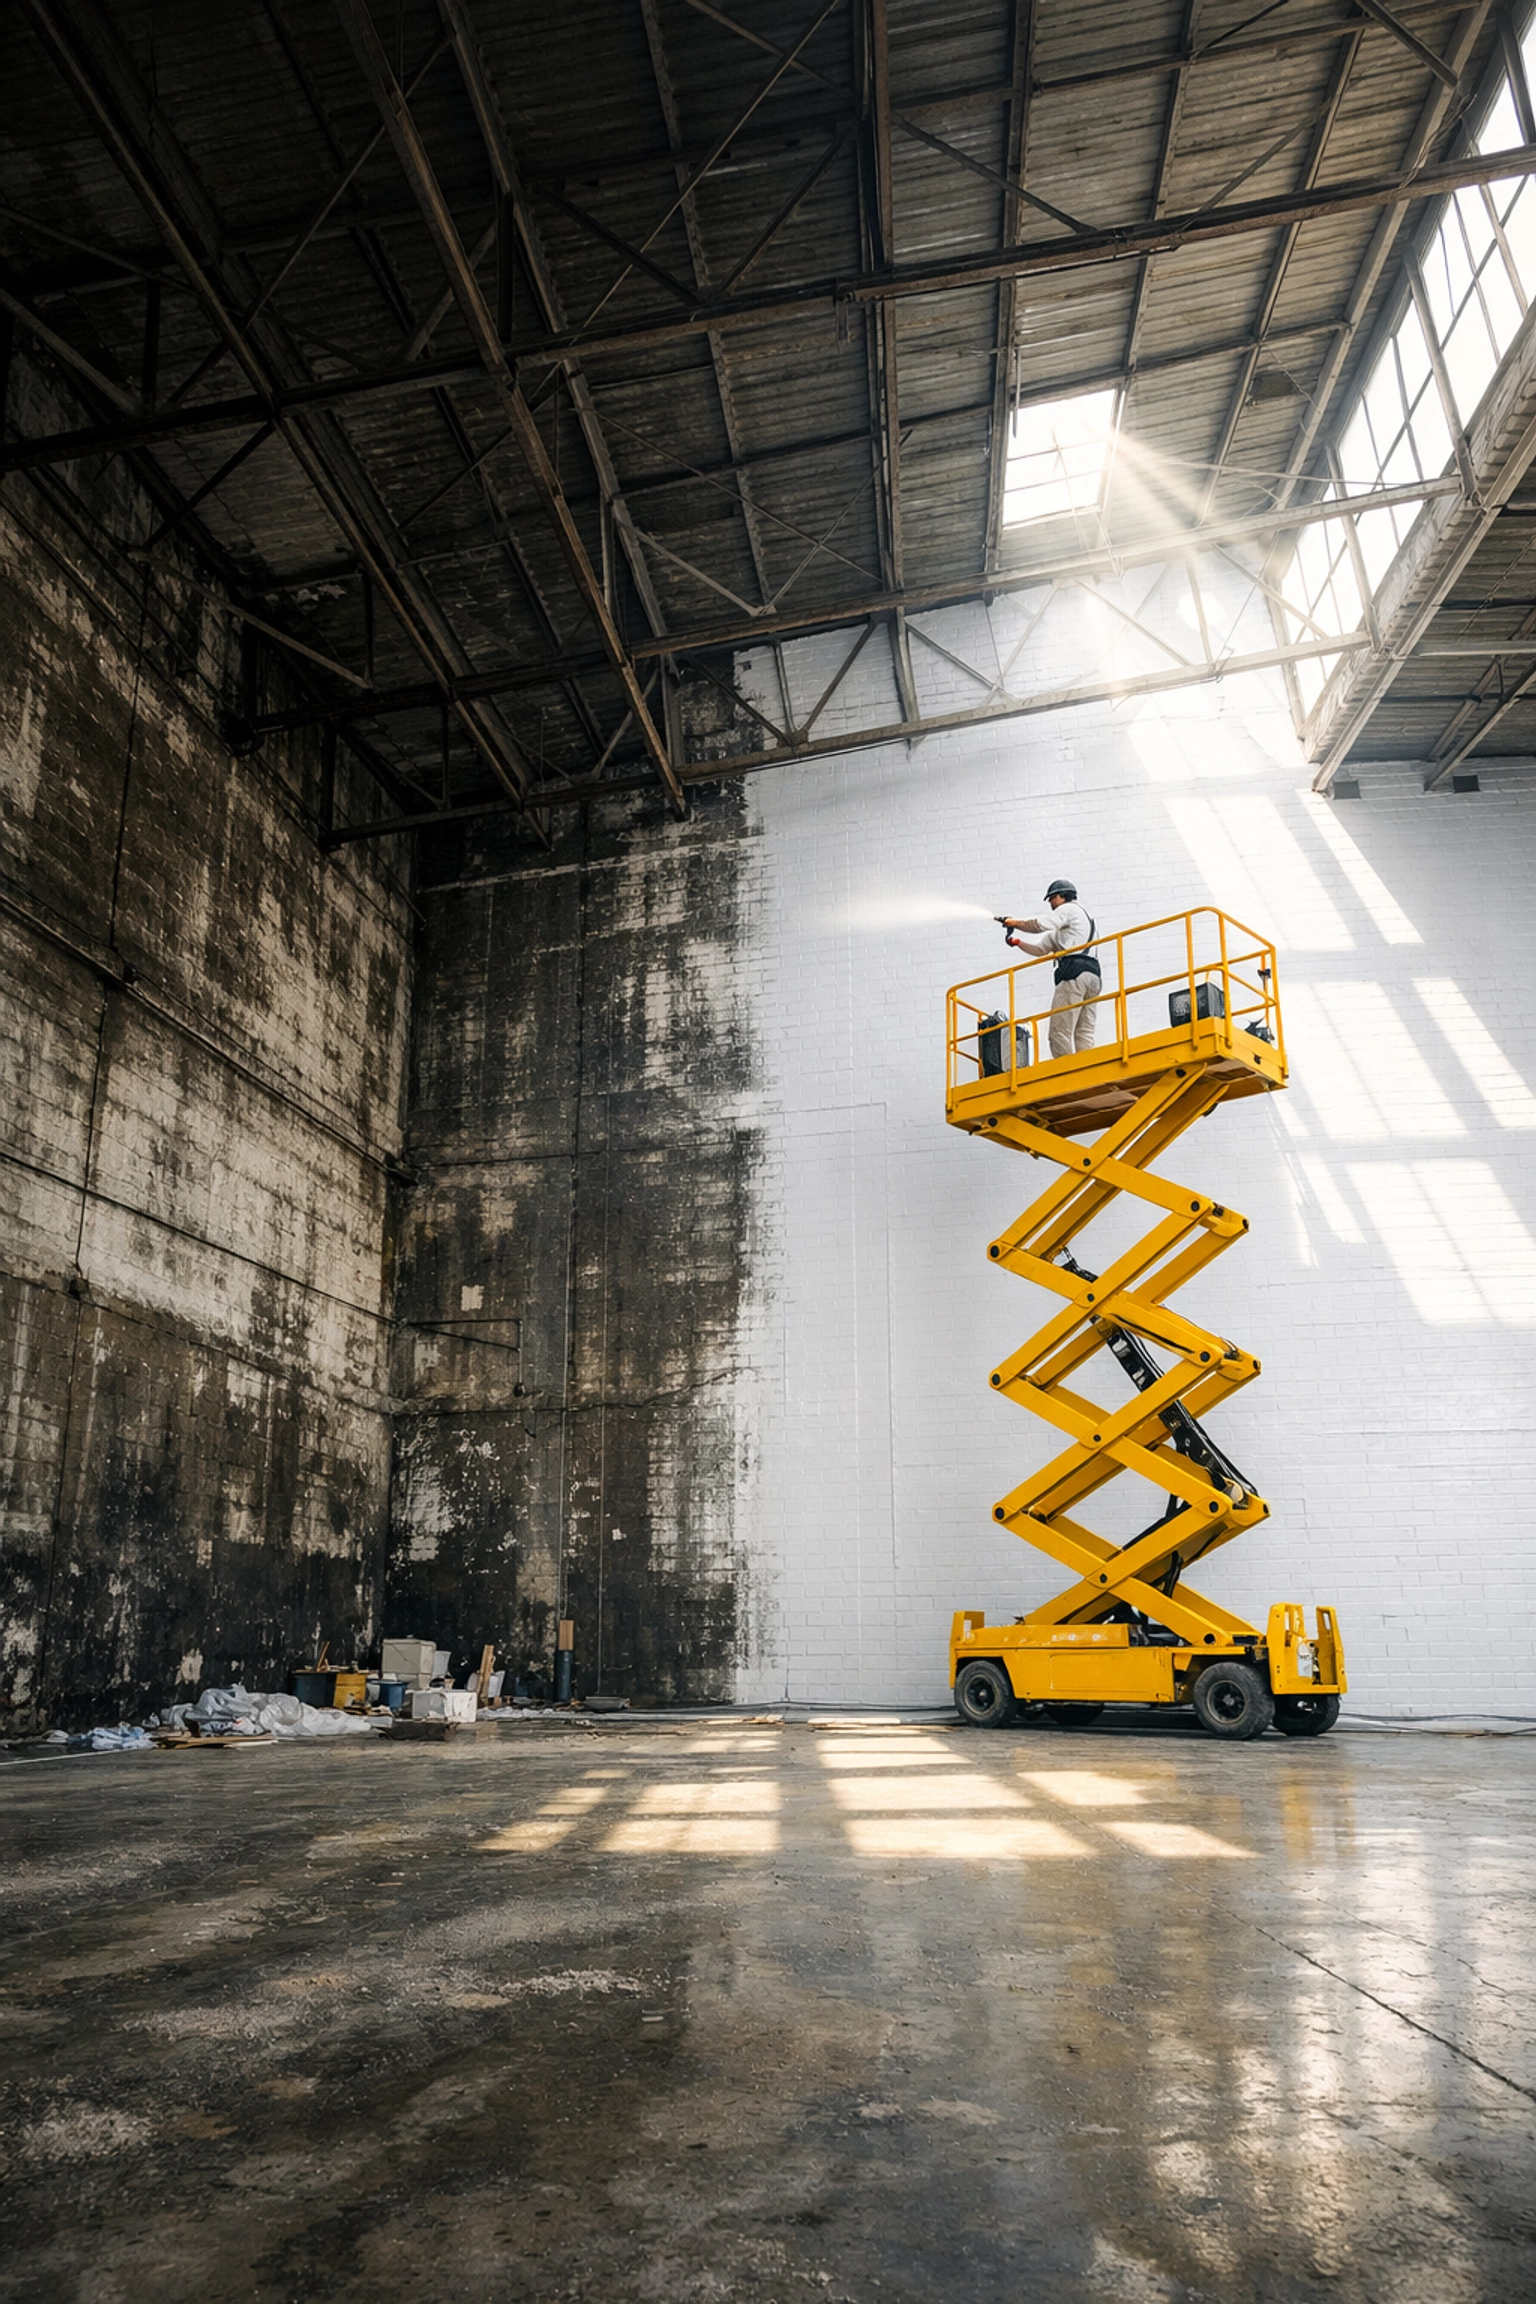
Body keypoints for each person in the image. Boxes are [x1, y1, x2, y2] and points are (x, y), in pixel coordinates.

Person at [995, 880, 1102, 1058]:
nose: (1051, 904)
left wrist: (1013, 922)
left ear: (1063, 896)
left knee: (1059, 1031)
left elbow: (1039, 925)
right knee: (1084, 1031)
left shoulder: (1069, 909)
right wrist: (1018, 943)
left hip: (1073, 974)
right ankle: (1088, 1068)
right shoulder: (1080, 924)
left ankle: (1065, 1072)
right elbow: (1040, 950)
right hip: (1093, 976)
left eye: (1052, 898)